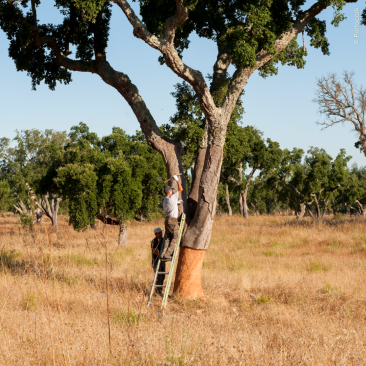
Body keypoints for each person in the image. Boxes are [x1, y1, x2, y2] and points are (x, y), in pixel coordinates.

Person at [161, 175, 183, 260]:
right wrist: (177, 180)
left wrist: (177, 202)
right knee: (175, 237)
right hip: (173, 220)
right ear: (169, 191)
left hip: (166, 219)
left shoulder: (165, 200)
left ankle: (163, 254)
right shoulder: (172, 197)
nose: (172, 192)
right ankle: (168, 253)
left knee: (168, 237)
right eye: (171, 190)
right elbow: (181, 189)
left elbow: (170, 204)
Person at [151, 227, 165, 295]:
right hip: (156, 261)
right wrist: (162, 254)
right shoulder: (154, 241)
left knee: (163, 276)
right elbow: (154, 251)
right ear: (155, 234)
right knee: (159, 276)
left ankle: (160, 291)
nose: (161, 234)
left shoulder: (163, 240)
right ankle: (157, 292)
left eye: (161, 232)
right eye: (159, 233)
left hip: (162, 261)